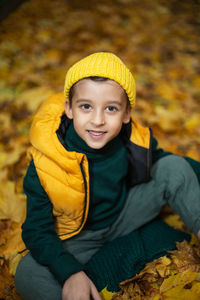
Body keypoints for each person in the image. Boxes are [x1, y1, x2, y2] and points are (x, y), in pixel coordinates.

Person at [15, 52, 200, 300]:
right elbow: (37, 231)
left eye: (111, 108)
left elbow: (168, 166)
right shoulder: (46, 161)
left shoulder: (130, 139)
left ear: (126, 114)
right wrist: (70, 273)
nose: (98, 120)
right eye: (86, 106)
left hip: (124, 214)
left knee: (173, 166)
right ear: (69, 108)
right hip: (80, 237)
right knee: (28, 273)